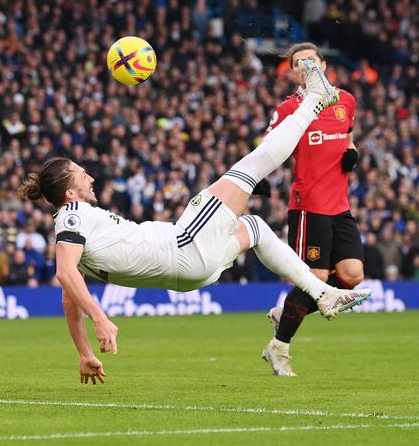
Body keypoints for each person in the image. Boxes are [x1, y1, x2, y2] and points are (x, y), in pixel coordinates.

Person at [18, 60, 371, 384]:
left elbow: (69, 299)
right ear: (69, 193)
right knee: (250, 167)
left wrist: (84, 354)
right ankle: (314, 100)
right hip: (184, 245)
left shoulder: (74, 225)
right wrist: (101, 319)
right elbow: (64, 274)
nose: (90, 177)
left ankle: (322, 293)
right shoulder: (73, 216)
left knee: (256, 229)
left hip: (194, 271)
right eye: (81, 175)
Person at [260, 43, 365, 376]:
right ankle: (279, 348)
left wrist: (352, 153)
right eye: (297, 64)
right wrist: (259, 179)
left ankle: (291, 310)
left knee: (351, 275)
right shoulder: (290, 108)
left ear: (323, 64)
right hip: (309, 207)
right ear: (294, 73)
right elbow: (268, 147)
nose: (304, 66)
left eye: (310, 60)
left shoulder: (345, 101)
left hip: (340, 207)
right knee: (316, 278)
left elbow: (348, 139)